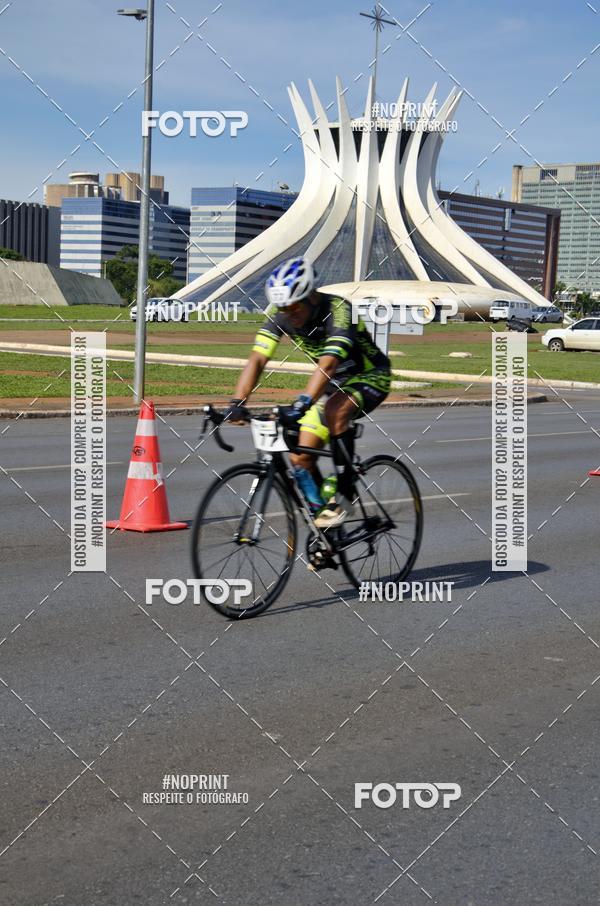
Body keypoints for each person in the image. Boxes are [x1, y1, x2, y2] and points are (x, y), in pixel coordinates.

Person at [224, 256, 392, 527]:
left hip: (371, 377)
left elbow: (328, 364)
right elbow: (257, 358)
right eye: (283, 308)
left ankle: (345, 492)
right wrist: (237, 401)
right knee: (300, 458)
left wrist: (302, 404)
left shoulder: (338, 310)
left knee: (335, 411)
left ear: (311, 296)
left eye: (294, 306)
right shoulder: (282, 316)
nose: (289, 314)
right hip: (333, 387)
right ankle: (324, 527)